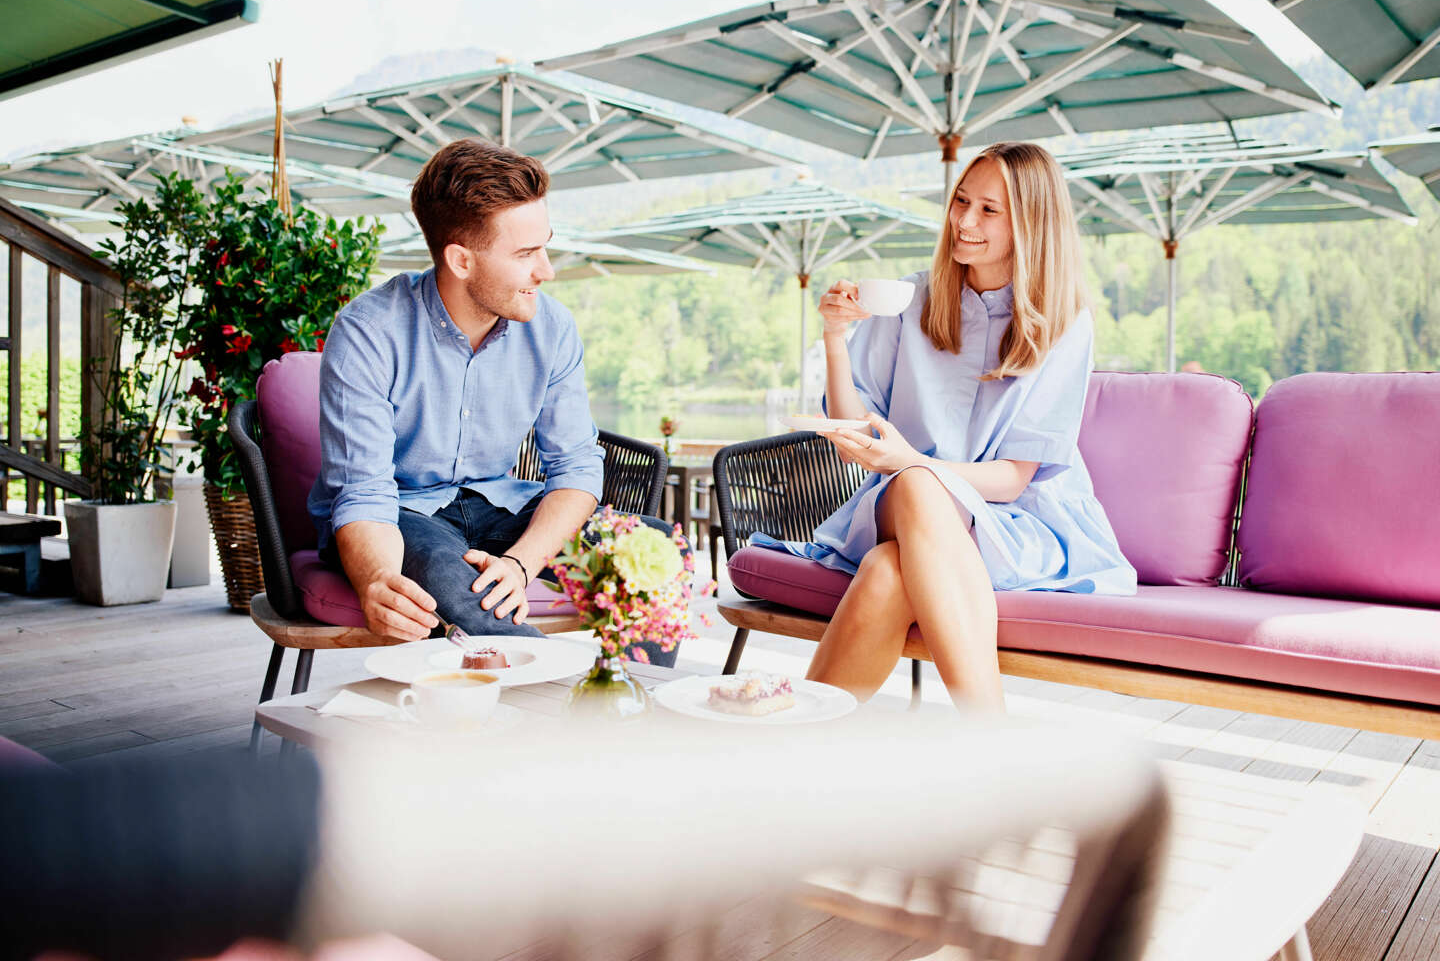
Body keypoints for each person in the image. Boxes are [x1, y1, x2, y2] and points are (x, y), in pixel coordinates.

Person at [755, 142, 1136, 708]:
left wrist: (912, 463)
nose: (963, 221)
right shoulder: (910, 299)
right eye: (960, 201)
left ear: (1030, 223)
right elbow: (853, 433)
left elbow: (1012, 480)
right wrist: (836, 338)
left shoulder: (1064, 321)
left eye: (988, 210)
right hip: (897, 501)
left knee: (890, 568)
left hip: (1009, 519)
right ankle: (988, 735)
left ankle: (800, 744)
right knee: (912, 487)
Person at [308, 139, 678, 660]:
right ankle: (554, 713)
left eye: (544, 247)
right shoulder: (369, 331)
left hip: (498, 504)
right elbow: (365, 491)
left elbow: (575, 465)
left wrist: (521, 563)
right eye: (526, 254)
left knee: (651, 546)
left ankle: (637, 707)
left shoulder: (551, 327)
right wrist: (376, 579)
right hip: (400, 513)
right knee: (446, 572)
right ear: (460, 259)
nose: (546, 271)